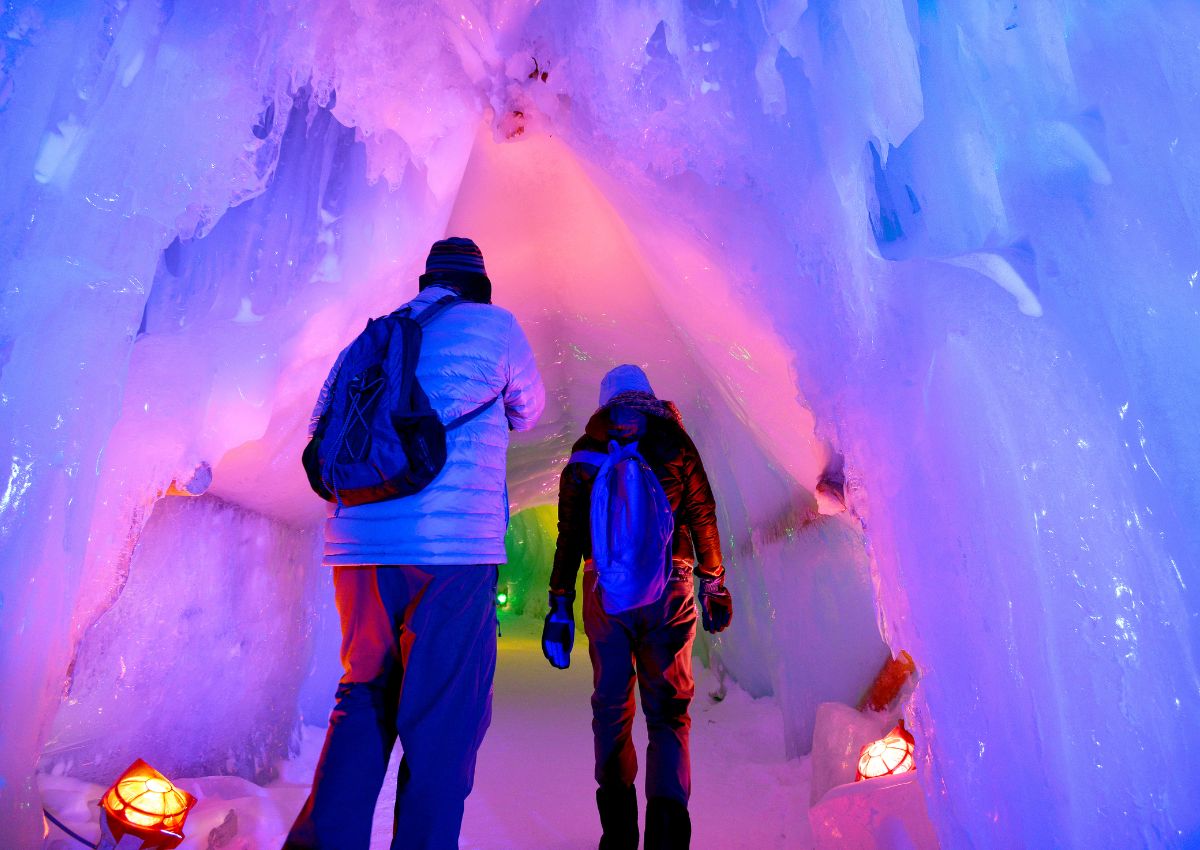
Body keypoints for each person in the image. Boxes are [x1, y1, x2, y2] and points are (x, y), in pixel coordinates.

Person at [285, 237, 545, 850]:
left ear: (426, 280)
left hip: (359, 546)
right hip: (452, 554)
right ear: (479, 285)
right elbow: (529, 411)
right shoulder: (497, 327)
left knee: (364, 693)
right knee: (442, 722)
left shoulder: (377, 334)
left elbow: (322, 420)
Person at [542, 365, 733, 850]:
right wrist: (713, 583)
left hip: (604, 592)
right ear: (651, 396)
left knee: (610, 708)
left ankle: (619, 836)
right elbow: (702, 515)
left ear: (606, 404)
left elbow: (570, 536)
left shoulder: (586, 452)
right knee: (669, 713)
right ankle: (667, 838)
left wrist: (559, 604)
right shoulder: (675, 442)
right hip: (670, 586)